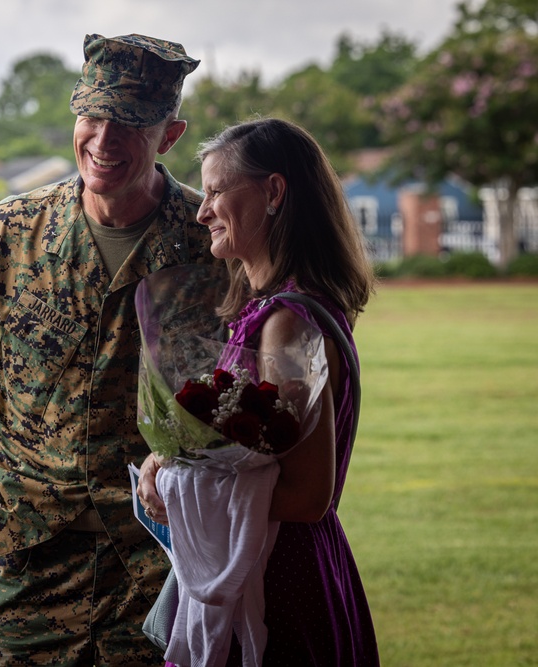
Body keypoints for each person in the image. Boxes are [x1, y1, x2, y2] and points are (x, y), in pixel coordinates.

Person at [0, 33, 228, 665]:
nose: (104, 141)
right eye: (93, 116)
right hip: (27, 566)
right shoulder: (6, 233)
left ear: (170, 135)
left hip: (159, 566)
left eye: (130, 123)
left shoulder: (210, 246)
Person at [138, 117, 379, 665]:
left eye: (217, 191)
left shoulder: (288, 324)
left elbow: (307, 496)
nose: (202, 211)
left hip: (280, 582)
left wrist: (175, 485)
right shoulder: (279, 310)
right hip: (276, 566)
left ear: (273, 192)